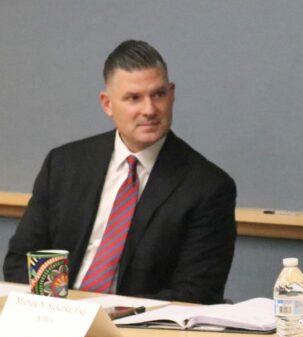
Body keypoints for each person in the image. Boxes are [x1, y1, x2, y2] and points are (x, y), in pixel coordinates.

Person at [3, 40, 237, 305]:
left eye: (158, 94)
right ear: (107, 104)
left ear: (172, 94)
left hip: (139, 330)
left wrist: (109, 314)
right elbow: (21, 259)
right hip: (57, 315)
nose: (149, 110)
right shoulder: (64, 165)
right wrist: (56, 310)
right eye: (133, 98)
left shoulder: (208, 186)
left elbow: (196, 293)